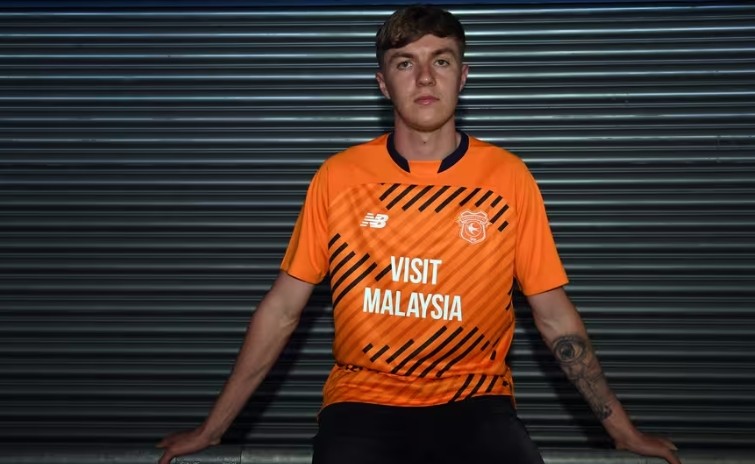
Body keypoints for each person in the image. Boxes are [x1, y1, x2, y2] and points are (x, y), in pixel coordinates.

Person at [157, 5, 681, 464]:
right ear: (383, 83)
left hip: (477, 402)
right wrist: (213, 429)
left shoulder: (508, 178)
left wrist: (622, 431)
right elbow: (281, 311)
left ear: (463, 76)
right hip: (362, 402)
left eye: (442, 61)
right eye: (405, 63)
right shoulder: (339, 178)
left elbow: (554, 316)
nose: (425, 78)